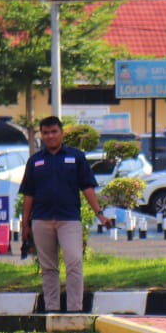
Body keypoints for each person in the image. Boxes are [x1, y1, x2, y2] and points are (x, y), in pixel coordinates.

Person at [20, 116, 114, 312]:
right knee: (48, 268)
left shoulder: (76, 157)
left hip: (69, 219)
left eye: (54, 131)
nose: (50, 136)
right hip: (41, 219)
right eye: (46, 133)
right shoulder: (35, 161)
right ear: (41, 135)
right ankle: (52, 309)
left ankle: (75, 309)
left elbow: (87, 188)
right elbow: (28, 194)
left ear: (61, 133)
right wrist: (25, 224)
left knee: (74, 262)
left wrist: (100, 213)